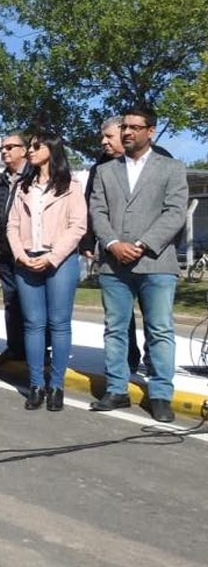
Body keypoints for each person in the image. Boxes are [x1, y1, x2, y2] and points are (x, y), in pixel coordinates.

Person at [89, 107, 188, 423]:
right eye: (124, 127)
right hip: (114, 264)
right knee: (115, 329)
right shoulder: (105, 171)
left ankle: (160, 394)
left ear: (151, 131)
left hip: (156, 262)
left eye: (134, 127)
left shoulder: (171, 168)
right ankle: (117, 389)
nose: (128, 132)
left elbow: (175, 212)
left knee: (160, 330)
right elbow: (97, 212)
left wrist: (143, 244)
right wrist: (113, 244)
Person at [82, 116, 172, 374]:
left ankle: (155, 363)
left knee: (156, 319)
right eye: (103, 137)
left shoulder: (162, 160)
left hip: (153, 256)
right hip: (114, 254)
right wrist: (92, 241)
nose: (104, 142)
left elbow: (172, 209)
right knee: (118, 320)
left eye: (109, 136)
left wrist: (146, 244)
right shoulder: (101, 167)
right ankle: (127, 361)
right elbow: (93, 207)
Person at [6, 133, 87, 411]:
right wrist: (20, 255)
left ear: (52, 149)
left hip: (60, 261)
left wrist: (52, 257)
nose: (30, 150)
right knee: (33, 324)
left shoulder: (71, 185)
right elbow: (12, 225)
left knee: (59, 323)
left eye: (36, 146)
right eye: (29, 146)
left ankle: (56, 386)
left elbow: (78, 226)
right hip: (26, 261)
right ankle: (36, 385)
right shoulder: (23, 186)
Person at [0, 132, 31, 365]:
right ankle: (15, 347)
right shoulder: (2, 179)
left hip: (27, 250)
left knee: (32, 303)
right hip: (5, 250)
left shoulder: (34, 174)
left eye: (9, 147)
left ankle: (38, 350)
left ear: (23, 150)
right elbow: (1, 212)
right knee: (11, 300)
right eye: (2, 149)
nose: (4, 152)